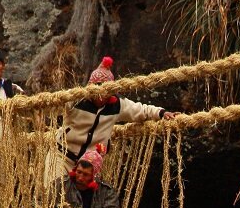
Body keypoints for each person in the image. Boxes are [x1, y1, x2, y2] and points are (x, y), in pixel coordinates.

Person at [45, 56, 181, 178]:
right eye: (96, 89)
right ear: (90, 88)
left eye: (105, 91)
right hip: (62, 157)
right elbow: (51, 105)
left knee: (84, 204)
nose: (100, 95)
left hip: (89, 165)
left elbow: (141, 110)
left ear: (111, 92)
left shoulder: (117, 104)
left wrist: (162, 113)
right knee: (55, 194)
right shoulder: (75, 99)